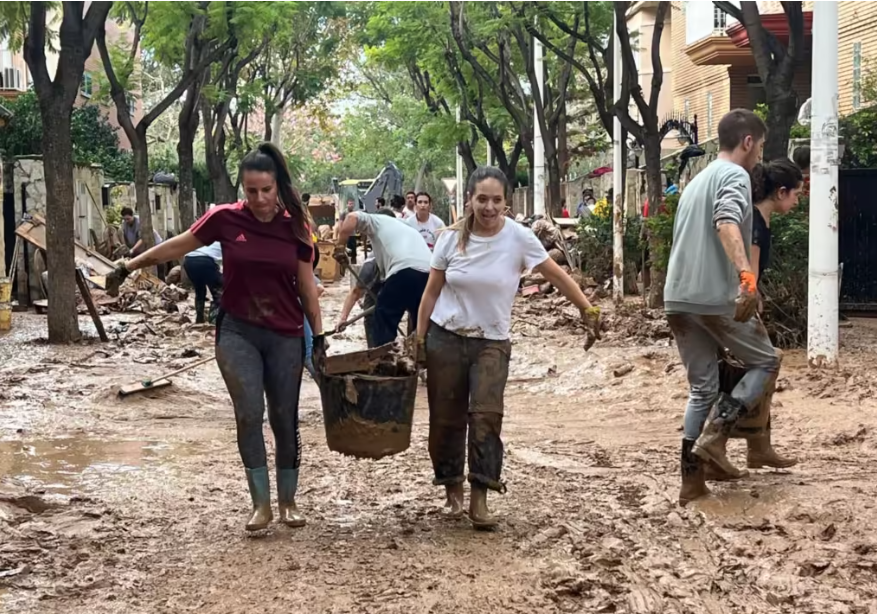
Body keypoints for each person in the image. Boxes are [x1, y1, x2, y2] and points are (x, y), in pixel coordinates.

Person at [106, 142, 323, 531]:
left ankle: (288, 500)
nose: (258, 198)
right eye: (250, 190)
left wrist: (319, 338)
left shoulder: (295, 226)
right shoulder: (224, 219)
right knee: (248, 414)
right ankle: (261, 505)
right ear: (242, 187)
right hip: (237, 330)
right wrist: (130, 263)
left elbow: (307, 288)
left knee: (283, 417)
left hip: (285, 334)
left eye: (266, 190)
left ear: (278, 187)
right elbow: (179, 244)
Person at [416, 167, 601, 530]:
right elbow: (431, 293)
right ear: (468, 199)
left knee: (486, 415)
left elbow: (555, 275)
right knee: (445, 419)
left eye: (496, 200)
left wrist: (587, 307)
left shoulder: (519, 237)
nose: (488, 207)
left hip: (492, 341)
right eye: (481, 199)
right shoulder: (450, 240)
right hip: (446, 338)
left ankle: (480, 495)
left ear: (506, 202)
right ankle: (450, 485)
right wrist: (419, 341)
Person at [664, 109, 781, 507]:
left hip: (677, 298)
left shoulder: (696, 181)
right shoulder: (734, 176)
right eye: (760, 146)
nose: (759, 155)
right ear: (747, 141)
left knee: (702, 389)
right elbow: (727, 222)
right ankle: (715, 439)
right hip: (714, 297)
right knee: (766, 362)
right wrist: (747, 279)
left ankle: (692, 482)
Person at [708, 159, 803, 481]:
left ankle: (759, 447)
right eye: (796, 194)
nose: (797, 201)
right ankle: (717, 436)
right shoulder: (756, 225)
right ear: (780, 192)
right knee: (768, 364)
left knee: (764, 372)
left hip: (734, 303)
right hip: (739, 305)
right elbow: (749, 271)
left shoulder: (758, 219)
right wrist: (753, 304)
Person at [334, 209, 431, 347]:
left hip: (403, 271)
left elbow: (350, 218)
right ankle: (418, 357)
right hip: (428, 275)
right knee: (421, 323)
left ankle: (383, 359)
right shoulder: (407, 227)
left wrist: (340, 248)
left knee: (382, 319)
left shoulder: (375, 220)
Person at [336, 257, 383, 348]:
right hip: (377, 283)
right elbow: (355, 293)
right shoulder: (370, 267)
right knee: (371, 317)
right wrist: (343, 318)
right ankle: (374, 351)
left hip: (403, 274)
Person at [182, 241, 223, 324]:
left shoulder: (207, 240)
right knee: (218, 291)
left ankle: (199, 318)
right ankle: (215, 320)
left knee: (199, 290)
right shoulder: (226, 243)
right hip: (204, 260)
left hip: (188, 260)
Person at [339, 199, 359, 264]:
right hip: (345, 236)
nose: (351, 205)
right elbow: (341, 223)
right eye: (349, 204)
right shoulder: (344, 213)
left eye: (352, 204)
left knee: (353, 252)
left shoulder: (355, 213)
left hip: (352, 235)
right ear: (347, 204)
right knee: (344, 252)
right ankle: (345, 266)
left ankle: (354, 265)